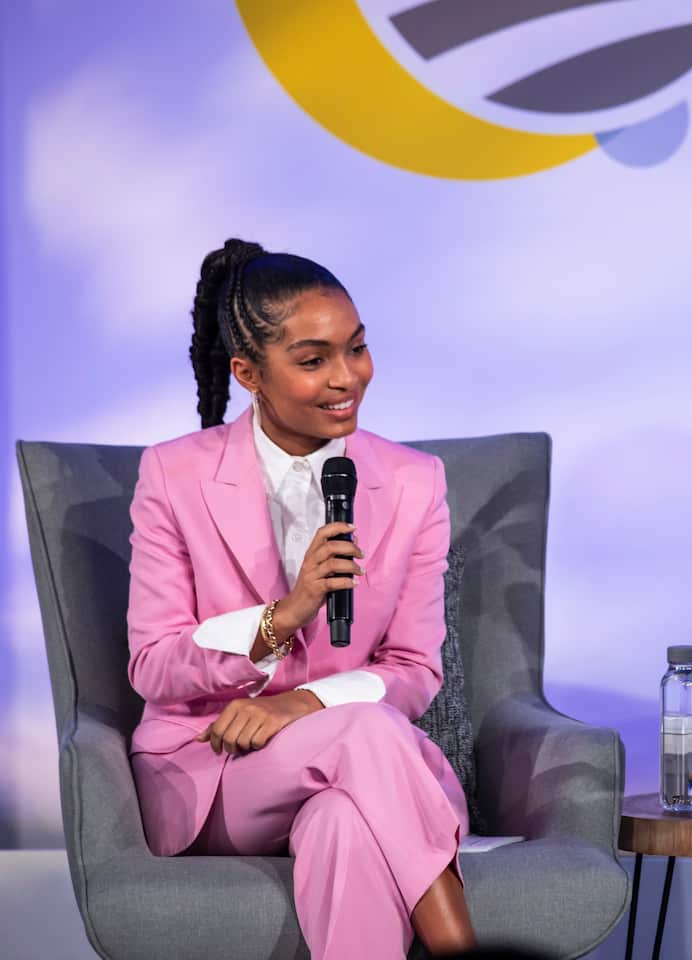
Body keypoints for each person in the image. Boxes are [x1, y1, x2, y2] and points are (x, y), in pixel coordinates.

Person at [127, 239, 477, 958]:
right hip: (214, 770)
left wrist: (299, 705)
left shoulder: (415, 481)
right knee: (370, 732)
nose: (347, 378)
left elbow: (413, 668)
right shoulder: (173, 475)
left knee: (344, 824)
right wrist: (280, 618)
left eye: (357, 349)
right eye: (314, 360)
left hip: (356, 773)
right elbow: (153, 666)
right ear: (249, 373)